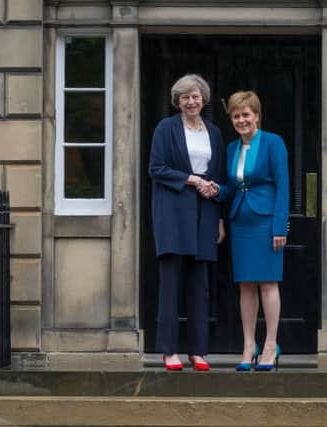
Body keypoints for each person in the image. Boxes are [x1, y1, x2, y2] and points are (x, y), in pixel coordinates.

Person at [204, 91, 289, 372]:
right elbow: (232, 188)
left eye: (246, 115)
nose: (241, 120)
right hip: (240, 220)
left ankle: (270, 345)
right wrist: (218, 190)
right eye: (236, 116)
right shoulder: (231, 148)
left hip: (266, 222)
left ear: (257, 116)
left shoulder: (273, 143)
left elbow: (282, 187)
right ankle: (248, 345)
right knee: (246, 285)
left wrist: (280, 227)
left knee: (268, 283)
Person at [148, 74, 225, 371]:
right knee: (171, 283)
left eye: (195, 96)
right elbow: (156, 168)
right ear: (177, 102)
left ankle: (198, 351)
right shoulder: (166, 128)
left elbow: (218, 173)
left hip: (205, 212)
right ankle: (169, 351)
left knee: (199, 285)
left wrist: (218, 217)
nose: (191, 102)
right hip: (173, 211)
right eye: (185, 97)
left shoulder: (215, 132)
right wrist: (191, 179)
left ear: (203, 99)